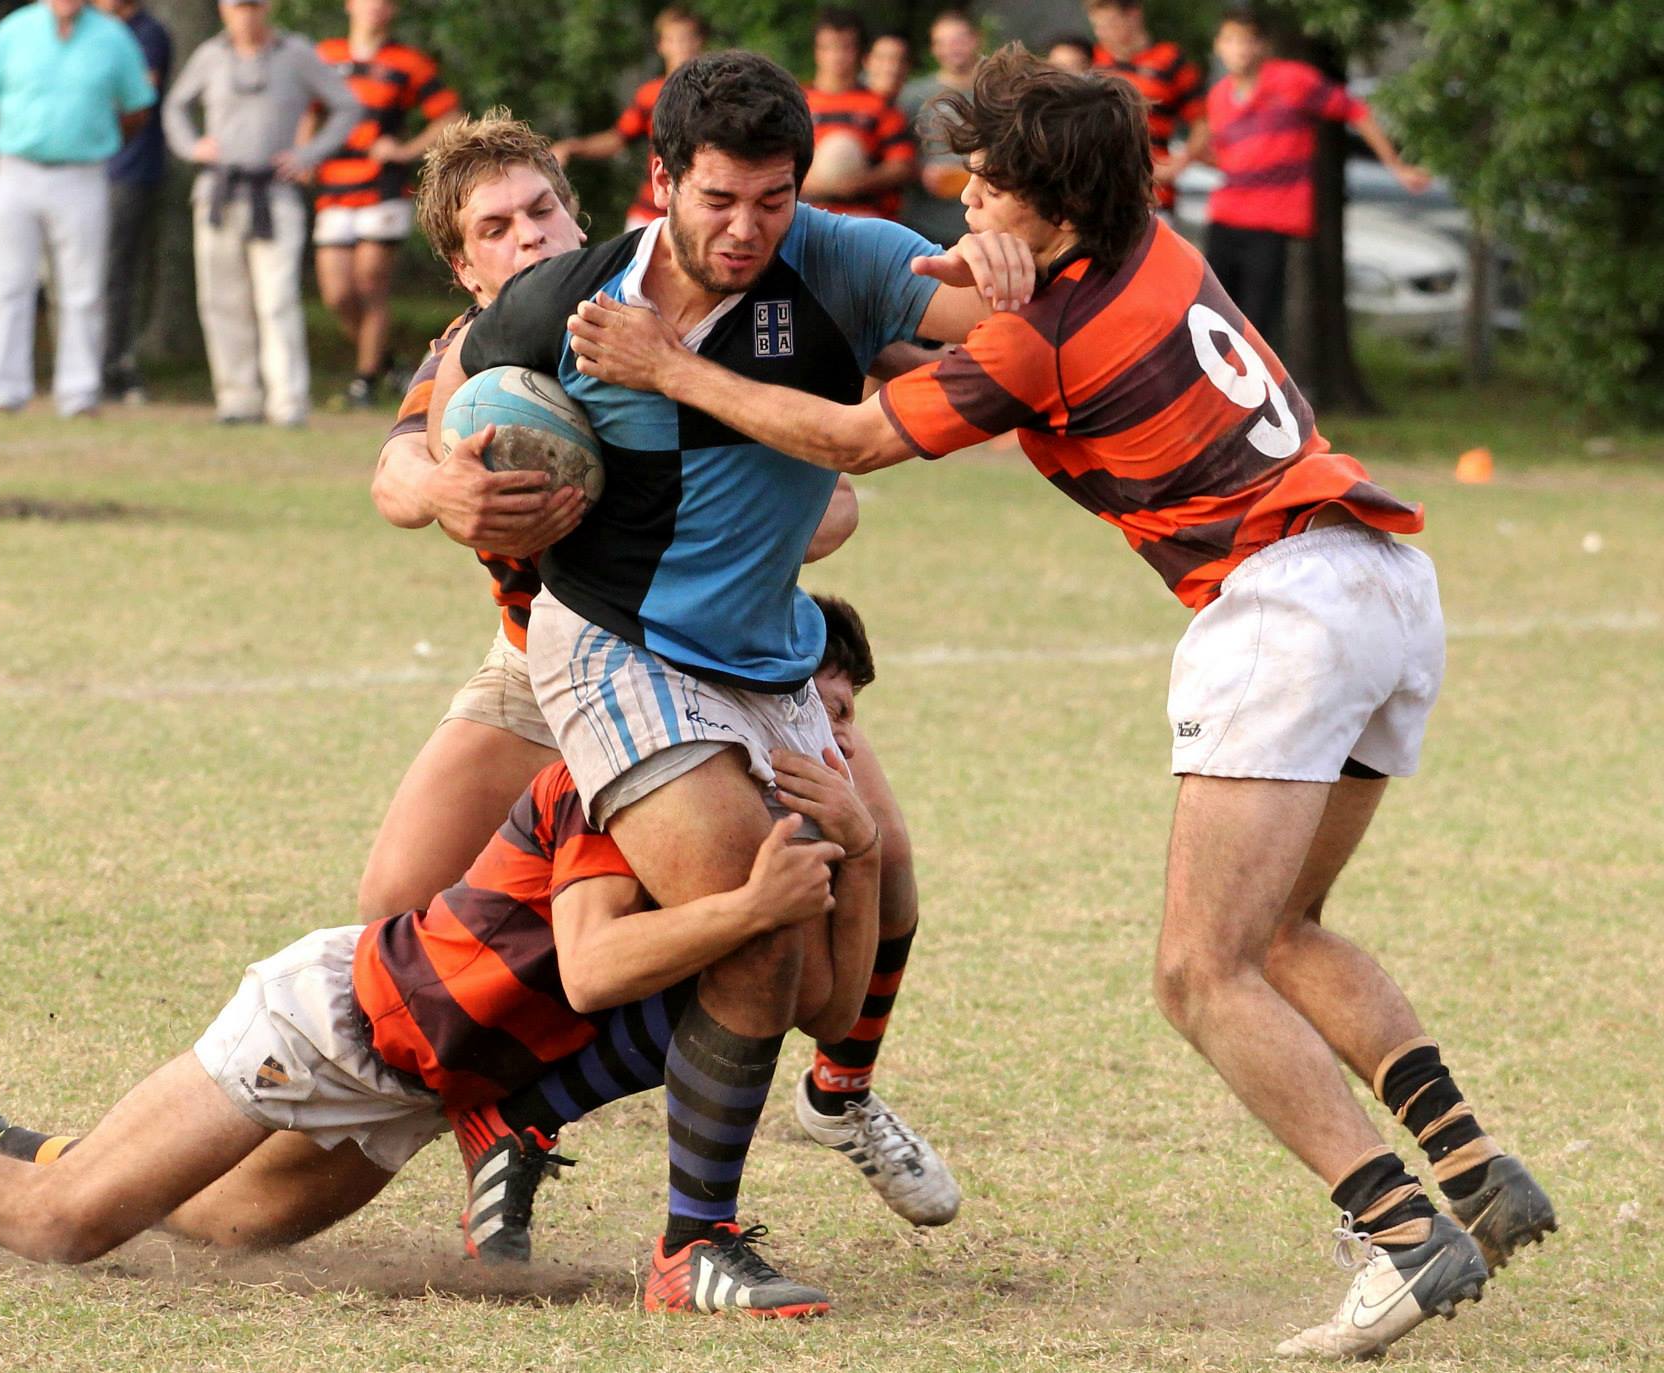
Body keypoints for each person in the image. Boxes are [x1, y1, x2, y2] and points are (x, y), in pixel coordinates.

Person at [563, 44, 1557, 1361]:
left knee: (1201, 971)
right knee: (1291, 930)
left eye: (985, 186)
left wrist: (667, 366)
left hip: (1278, 606)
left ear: (1053, 203)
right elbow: (984, 293)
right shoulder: (1157, 251)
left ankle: (1393, 1229)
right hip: (1383, 580)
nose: (964, 199)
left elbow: (858, 440)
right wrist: (981, 265)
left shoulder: (1049, 335)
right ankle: (1474, 1169)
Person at [425, 51, 985, 1315]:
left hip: (767, 654)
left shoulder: (841, 257)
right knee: (752, 898)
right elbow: (416, 445)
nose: (746, 229)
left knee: (824, 960)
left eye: (772, 200)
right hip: (611, 642)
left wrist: (1012, 271)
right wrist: (444, 485)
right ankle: (694, 1244)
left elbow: (1003, 336)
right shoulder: (555, 306)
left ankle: (539, 1107)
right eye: (719, 199)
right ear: (661, 179)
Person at [0, 753, 877, 1305]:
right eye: (808, 696)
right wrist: (757, 903)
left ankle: (29, 1138)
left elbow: (819, 1007)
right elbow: (598, 964)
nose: (820, 731)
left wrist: (858, 853)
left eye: (836, 713)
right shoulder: (630, 773)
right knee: (71, 1228)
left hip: (412, 1087)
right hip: (339, 1021)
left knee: (224, 1227)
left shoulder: (776, 812)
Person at [163, 0, 357, 427]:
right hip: (218, 191)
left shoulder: (296, 53)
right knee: (221, 299)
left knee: (277, 300)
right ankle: (238, 398)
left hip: (274, 193)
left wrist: (308, 154)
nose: (245, 15)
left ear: (267, 7)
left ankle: (287, 402)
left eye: (253, 6)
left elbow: (346, 105)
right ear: (223, 10)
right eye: (237, 6)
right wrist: (193, 147)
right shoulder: (211, 55)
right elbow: (175, 106)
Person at [0, 0, 155, 417]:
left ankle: (80, 391)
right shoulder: (14, 30)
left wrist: (94, 139)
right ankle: (6, 388)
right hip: (17, 167)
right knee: (9, 283)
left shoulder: (112, 38)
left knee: (83, 287)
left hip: (82, 172)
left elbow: (137, 107)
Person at [1203, 8, 1430, 352]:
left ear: (1263, 46)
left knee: (1256, 326)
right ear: (1219, 46)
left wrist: (1396, 166)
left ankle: (1256, 402)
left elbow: (1356, 111)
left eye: (1248, 41)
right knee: (1211, 317)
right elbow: (1227, 160)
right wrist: (1174, 164)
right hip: (1224, 218)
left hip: (1269, 223)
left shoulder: (1294, 80)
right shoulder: (1219, 97)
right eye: (1231, 40)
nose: (1240, 49)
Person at [312, 0, 460, 409]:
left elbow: (449, 115)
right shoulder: (326, 56)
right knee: (338, 294)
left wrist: (406, 149)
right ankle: (387, 362)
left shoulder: (407, 62)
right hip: (335, 188)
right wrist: (305, 152)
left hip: (382, 188)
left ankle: (364, 382)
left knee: (370, 283)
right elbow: (308, 110)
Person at [547, 5, 705, 233]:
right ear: (661, 45)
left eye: (687, 38)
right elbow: (618, 138)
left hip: (698, 210)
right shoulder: (650, 95)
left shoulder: (715, 94)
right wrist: (574, 147)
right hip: (651, 212)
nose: (681, 46)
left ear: (699, 41)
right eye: (673, 39)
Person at [92, 0, 168, 404]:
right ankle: (89, 364)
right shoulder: (83, 28)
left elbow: (137, 95)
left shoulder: (146, 33)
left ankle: (114, 363)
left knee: (114, 273)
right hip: (83, 168)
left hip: (126, 169)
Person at [1086, 0, 1205, 220]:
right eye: (1097, 26)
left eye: (1110, 24)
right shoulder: (1092, 62)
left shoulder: (1170, 59)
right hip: (1101, 195)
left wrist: (1179, 163)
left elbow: (1203, 122)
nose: (1102, 33)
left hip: (1153, 196)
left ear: (1133, 15)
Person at [799, 8, 914, 220]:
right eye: (828, 47)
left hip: (866, 221)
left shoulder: (880, 105)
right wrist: (806, 181)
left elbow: (902, 165)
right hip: (807, 218)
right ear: (816, 51)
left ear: (860, 53)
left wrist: (859, 183)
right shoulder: (798, 101)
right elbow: (776, 159)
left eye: (845, 47)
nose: (836, 56)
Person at [896, 7, 979, 246]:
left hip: (978, 223)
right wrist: (919, 171)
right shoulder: (912, 95)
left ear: (976, 39)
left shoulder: (995, 93)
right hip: (923, 223)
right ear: (933, 48)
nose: (952, 48)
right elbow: (894, 153)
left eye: (959, 40)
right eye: (943, 42)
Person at [863, 30, 909, 106]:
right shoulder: (846, 106)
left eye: (899, 59)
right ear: (866, 60)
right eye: (881, 58)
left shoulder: (918, 109)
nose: (890, 67)